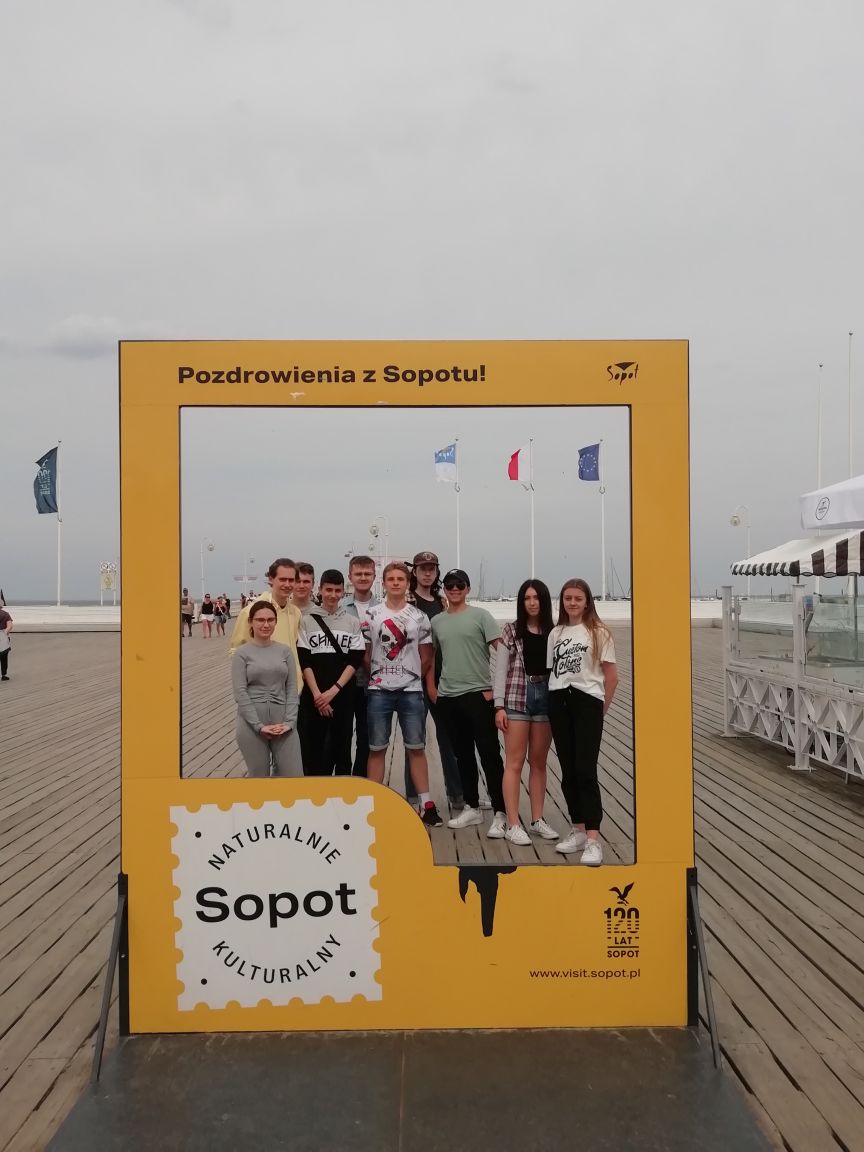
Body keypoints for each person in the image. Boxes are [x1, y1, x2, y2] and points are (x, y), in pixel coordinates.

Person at [426, 569, 506, 837]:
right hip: (449, 696)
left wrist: (498, 691)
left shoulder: (481, 616)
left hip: (479, 694)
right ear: (444, 589)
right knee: (462, 755)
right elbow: (432, 656)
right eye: (450, 585)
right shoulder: (437, 621)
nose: (454, 589)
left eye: (460, 585)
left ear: (468, 589)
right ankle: (471, 806)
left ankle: (501, 810)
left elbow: (502, 650)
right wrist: (432, 687)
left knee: (490, 754)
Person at [365, 562, 442, 827]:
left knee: (416, 747)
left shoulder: (419, 617)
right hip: (379, 690)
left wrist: (411, 677)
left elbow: (426, 654)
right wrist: (382, 675)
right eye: (391, 579)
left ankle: (426, 804)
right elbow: (366, 653)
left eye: (400, 579)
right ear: (384, 583)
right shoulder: (372, 615)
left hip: (411, 691)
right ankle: (373, 804)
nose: (396, 583)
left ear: (407, 583)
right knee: (377, 748)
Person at [548, 579, 618, 865]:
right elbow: (553, 670)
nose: (573, 603)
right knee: (567, 769)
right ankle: (577, 828)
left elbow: (611, 677)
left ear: (587, 601)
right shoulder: (556, 633)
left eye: (578, 598)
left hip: (587, 700)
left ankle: (592, 838)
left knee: (585, 770)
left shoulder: (599, 633)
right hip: (559, 701)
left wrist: (600, 709)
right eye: (568, 598)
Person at [493, 580, 557, 845]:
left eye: (536, 598)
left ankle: (537, 819)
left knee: (539, 762)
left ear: (544, 601)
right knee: (515, 762)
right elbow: (500, 670)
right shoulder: (511, 630)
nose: (532, 602)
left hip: (546, 697)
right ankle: (513, 823)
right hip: (517, 697)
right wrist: (498, 706)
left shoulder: (554, 631)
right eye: (527, 598)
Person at [404, 551, 463, 808]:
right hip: (413, 680)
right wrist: (427, 683)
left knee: (449, 738)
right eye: (423, 568)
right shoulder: (406, 601)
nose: (427, 573)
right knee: (415, 741)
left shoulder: (441, 602)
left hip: (442, 680)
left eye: (432, 568)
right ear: (414, 571)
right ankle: (414, 797)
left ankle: (457, 793)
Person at [297, 569, 366, 775]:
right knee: (314, 749)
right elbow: (305, 660)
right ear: (320, 590)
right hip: (314, 696)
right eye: (328, 590)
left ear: (343, 592)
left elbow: (355, 659)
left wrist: (333, 691)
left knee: (343, 747)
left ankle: (342, 790)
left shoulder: (352, 622)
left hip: (343, 693)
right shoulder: (307, 620)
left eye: (337, 590)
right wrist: (318, 695)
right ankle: (316, 791)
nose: (333, 595)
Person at [231, 600, 302, 777]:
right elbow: (240, 693)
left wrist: (289, 722)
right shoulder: (242, 653)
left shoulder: (285, 651)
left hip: (283, 723)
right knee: (259, 777)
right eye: (260, 620)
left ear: (276, 622)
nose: (266, 624)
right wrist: (258, 726)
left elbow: (292, 689)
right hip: (252, 724)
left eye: (270, 620)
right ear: (250, 622)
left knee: (294, 776)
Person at [229, 559, 302, 688]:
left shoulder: (295, 613)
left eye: (291, 580)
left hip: (293, 688)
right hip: (263, 690)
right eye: (282, 579)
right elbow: (236, 650)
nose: (287, 584)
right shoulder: (251, 611)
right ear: (271, 579)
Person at [342, 555, 379, 777]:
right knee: (342, 735)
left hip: (373, 683)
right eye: (358, 574)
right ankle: (343, 780)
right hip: (345, 681)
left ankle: (360, 779)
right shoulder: (340, 608)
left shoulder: (383, 608)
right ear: (350, 576)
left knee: (367, 736)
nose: (363, 578)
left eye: (367, 574)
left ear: (374, 576)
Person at [0, 604, 12, 681]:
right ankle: (4, 675)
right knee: (4, 656)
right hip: (3, 636)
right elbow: (10, 626)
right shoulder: (5, 614)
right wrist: (5, 633)